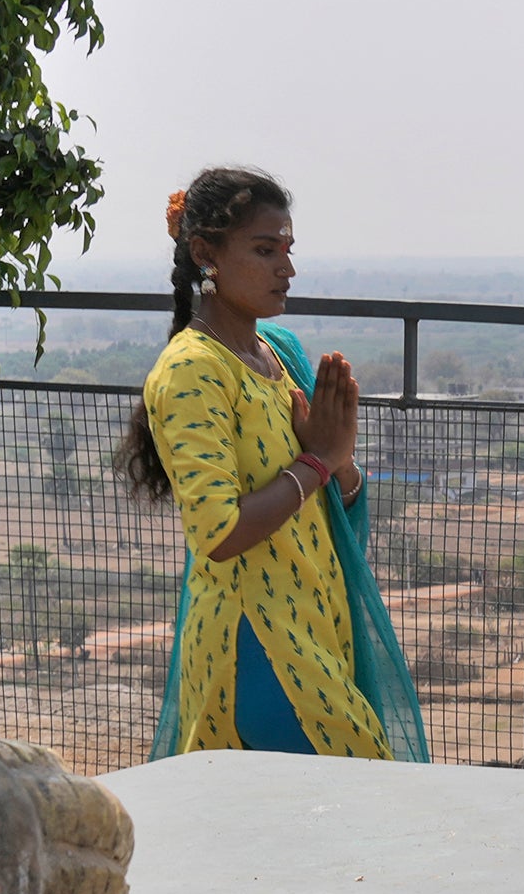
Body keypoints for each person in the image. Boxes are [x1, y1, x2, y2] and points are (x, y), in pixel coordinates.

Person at [121, 165, 428, 761]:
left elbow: (330, 494)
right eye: (265, 251)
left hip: (316, 618)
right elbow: (219, 532)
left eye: (288, 250)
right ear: (205, 254)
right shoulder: (192, 370)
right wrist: (317, 462)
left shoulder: (279, 351)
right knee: (359, 786)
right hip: (254, 639)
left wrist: (339, 467)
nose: (286, 269)